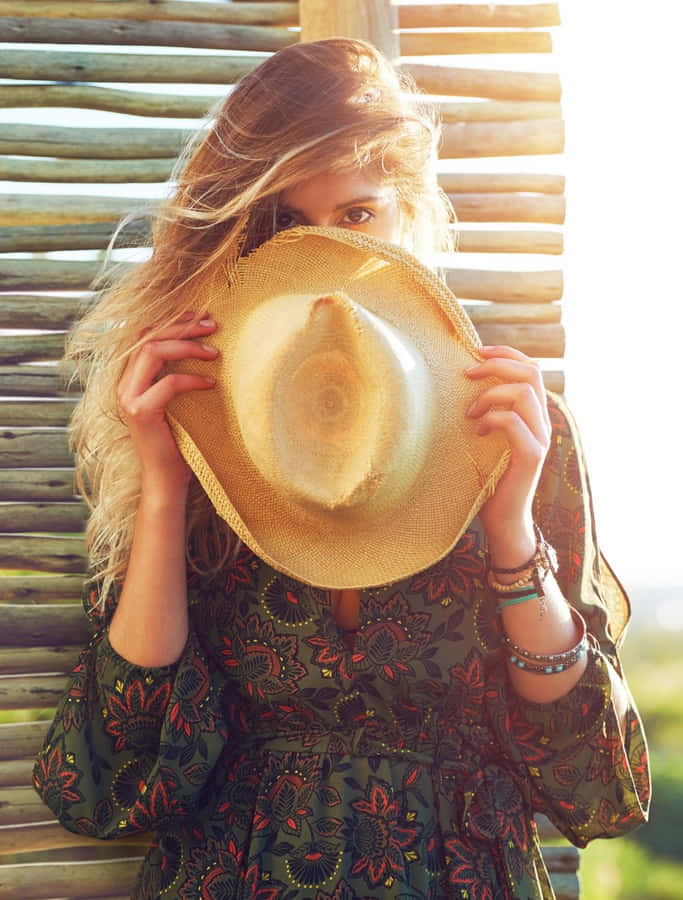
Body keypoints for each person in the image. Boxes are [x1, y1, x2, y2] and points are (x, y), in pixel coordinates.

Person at [33, 39, 649, 900]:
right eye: (286, 226)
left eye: (357, 215)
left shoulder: (513, 428)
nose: (323, 260)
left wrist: (509, 529)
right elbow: (111, 773)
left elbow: (591, 776)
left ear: (410, 212)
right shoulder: (198, 429)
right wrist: (169, 484)